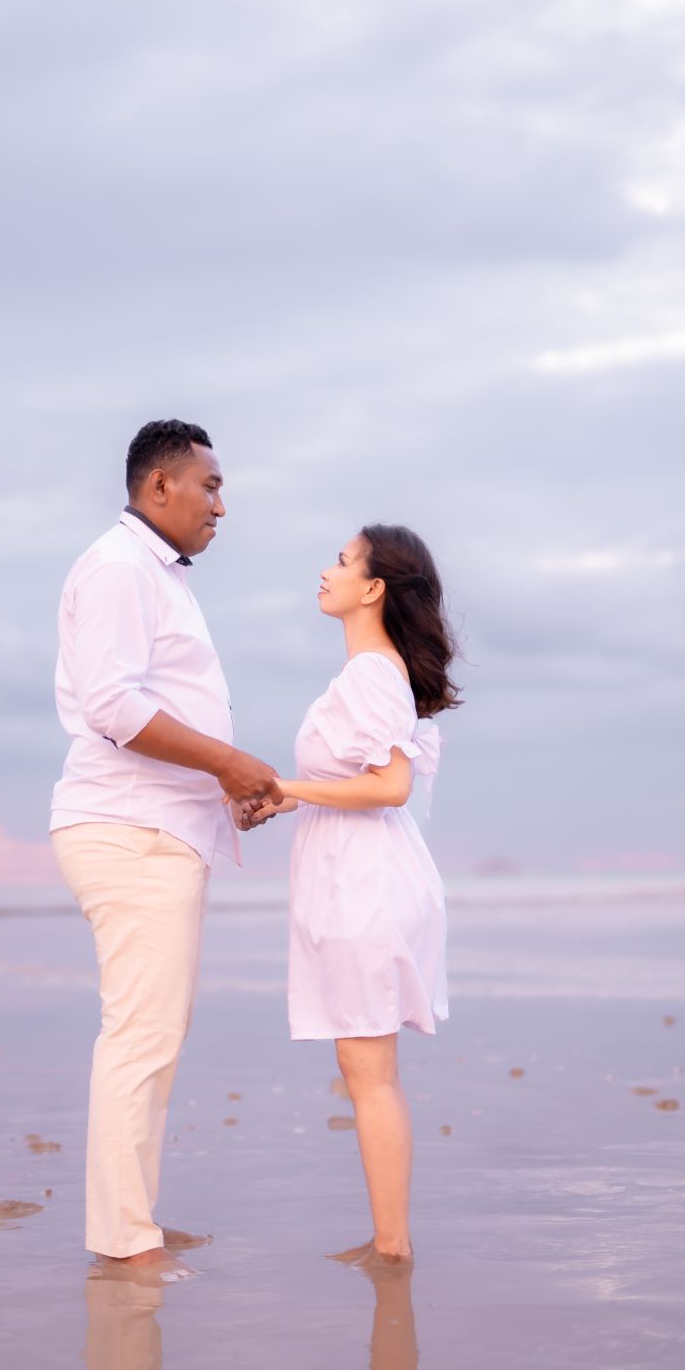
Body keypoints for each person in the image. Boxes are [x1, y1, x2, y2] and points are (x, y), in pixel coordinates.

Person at [50, 419, 281, 1277]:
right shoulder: (119, 567)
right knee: (141, 1036)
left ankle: (131, 1220)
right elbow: (112, 709)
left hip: (151, 827)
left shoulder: (152, 573)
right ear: (159, 486)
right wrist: (226, 762)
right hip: (127, 829)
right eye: (209, 486)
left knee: (152, 1035)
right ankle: (123, 1238)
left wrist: (223, 789)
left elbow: (157, 707)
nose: (220, 505)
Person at [246, 524, 460, 1264]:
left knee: (369, 1075)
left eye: (341, 561)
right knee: (365, 1071)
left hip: (364, 885)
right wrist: (283, 801)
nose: (325, 571)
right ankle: (388, 1239)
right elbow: (363, 784)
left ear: (372, 589)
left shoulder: (371, 673)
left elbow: (389, 786)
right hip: (360, 875)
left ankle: (392, 1246)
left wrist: (285, 787)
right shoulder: (373, 674)